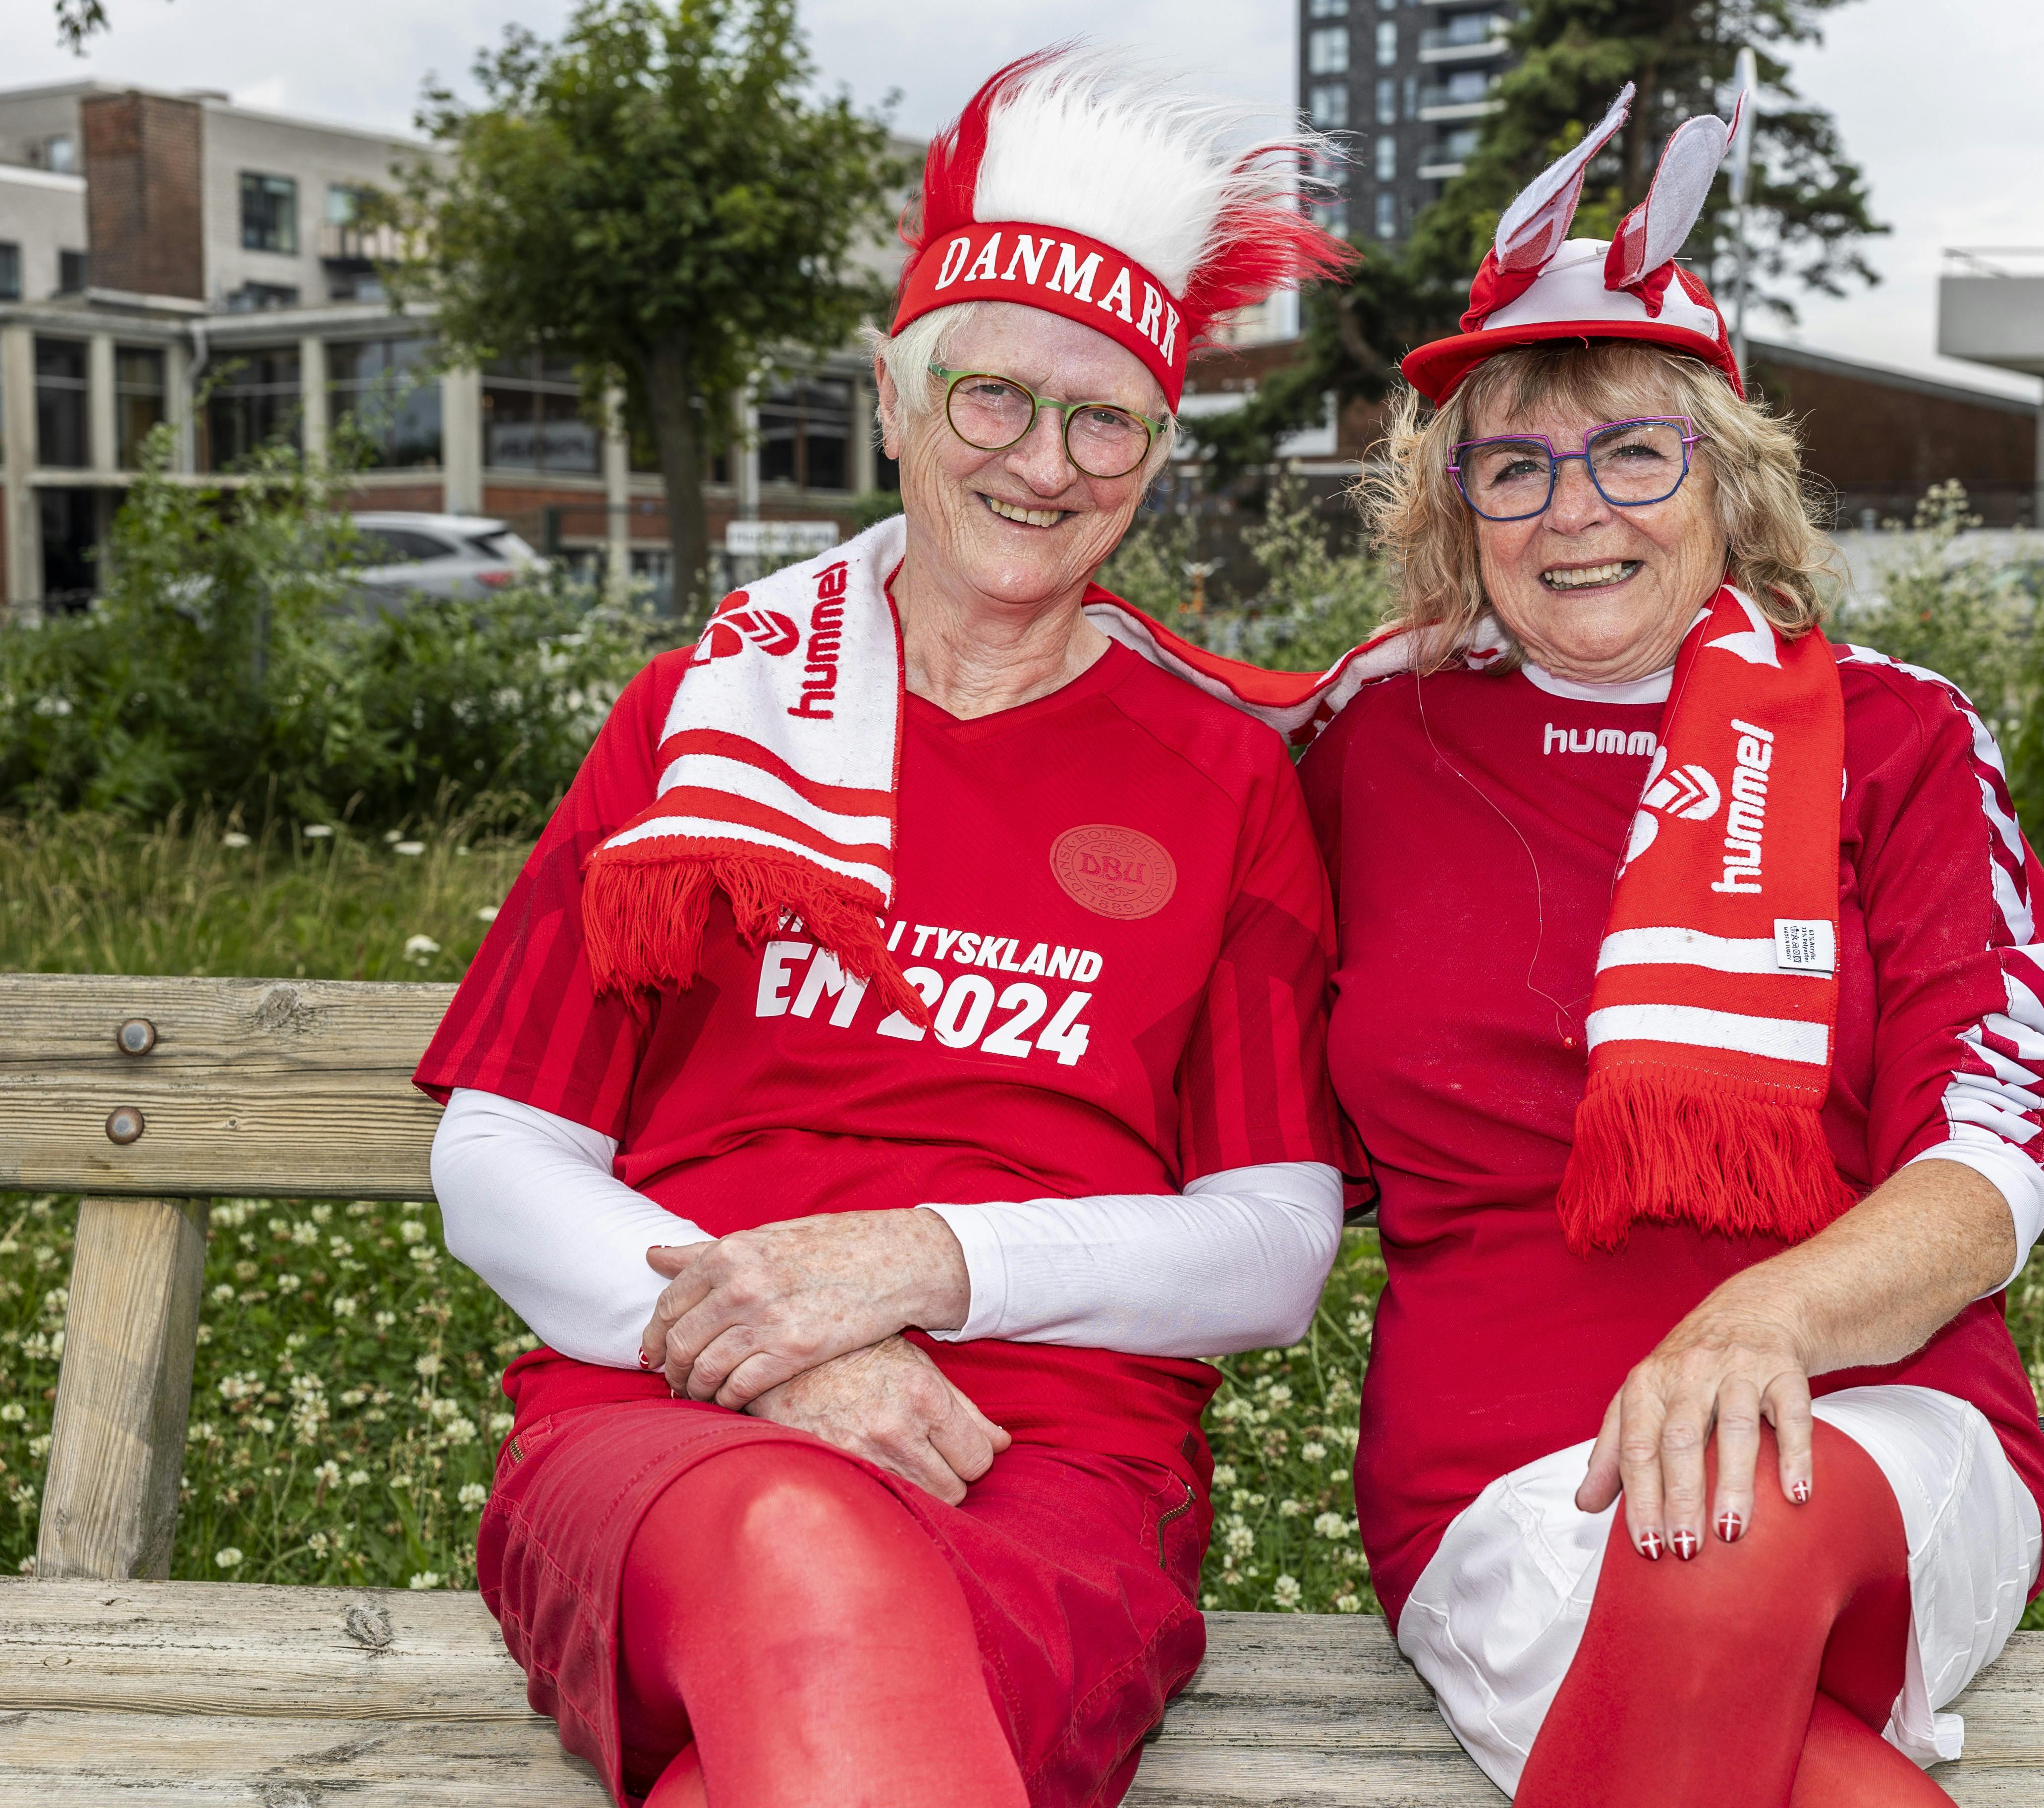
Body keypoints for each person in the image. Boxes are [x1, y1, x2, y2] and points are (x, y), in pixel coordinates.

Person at [413, 50, 1357, 1808]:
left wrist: (926, 1264)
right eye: (995, 398)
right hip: (673, 1416)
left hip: (1052, 1452)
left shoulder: (1224, 776)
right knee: (803, 1561)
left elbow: (1272, 1247)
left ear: (1156, 452)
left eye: (1107, 421)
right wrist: (784, 1341)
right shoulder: (706, 718)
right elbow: (499, 1157)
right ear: (898, 399)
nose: (1044, 464)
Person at [1294, 87, 2044, 1805]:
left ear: (1727, 484)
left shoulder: (1892, 735)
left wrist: (1771, 1320)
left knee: (1725, 1521)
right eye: (1515, 466)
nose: (1575, 512)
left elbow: (1996, 1140)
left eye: (1634, 454)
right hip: (1503, 1477)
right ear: (1455, 508)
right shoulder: (1367, 744)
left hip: (1869, 1414)